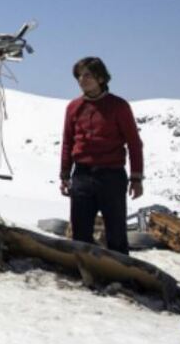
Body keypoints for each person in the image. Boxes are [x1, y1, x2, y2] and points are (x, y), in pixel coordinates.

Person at [60, 57, 143, 255]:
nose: (82, 80)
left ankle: (122, 279)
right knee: (80, 232)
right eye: (79, 76)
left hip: (111, 176)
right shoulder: (73, 107)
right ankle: (85, 276)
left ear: (100, 77)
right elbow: (67, 142)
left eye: (87, 75)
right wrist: (64, 175)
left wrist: (136, 178)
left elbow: (134, 143)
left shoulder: (118, 106)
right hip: (82, 175)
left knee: (116, 233)